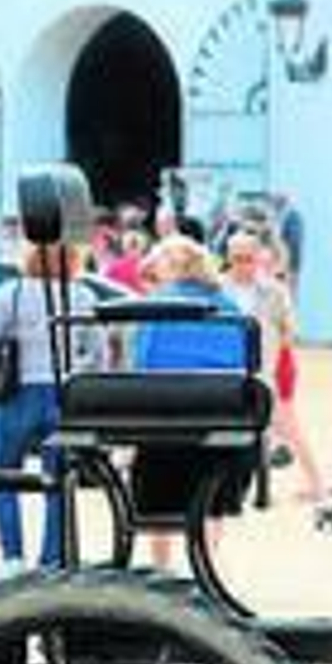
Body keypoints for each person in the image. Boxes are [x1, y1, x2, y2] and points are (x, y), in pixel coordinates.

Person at [130, 235, 257, 569]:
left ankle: (161, 569)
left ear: (173, 267)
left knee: (158, 485)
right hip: (221, 414)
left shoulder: (156, 304)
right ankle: (206, 566)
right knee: (211, 497)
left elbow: (142, 364)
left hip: (165, 418)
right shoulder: (229, 306)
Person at [0, 240, 102, 574]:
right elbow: (98, 354)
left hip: (17, 393)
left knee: (5, 477)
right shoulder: (83, 295)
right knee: (59, 480)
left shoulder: (11, 292)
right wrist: (75, 366)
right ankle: (51, 559)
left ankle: (12, 558)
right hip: (64, 395)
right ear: (74, 259)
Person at [219, 227, 331, 516]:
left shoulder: (274, 291)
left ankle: (316, 484)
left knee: (286, 426)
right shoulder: (218, 290)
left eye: (248, 258)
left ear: (257, 258)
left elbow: (288, 330)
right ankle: (240, 489)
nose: (242, 265)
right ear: (228, 259)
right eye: (236, 259)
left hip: (268, 371)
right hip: (228, 372)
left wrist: (275, 361)